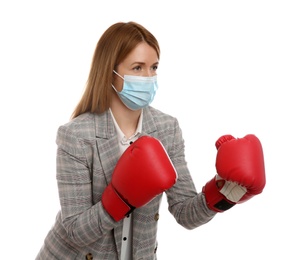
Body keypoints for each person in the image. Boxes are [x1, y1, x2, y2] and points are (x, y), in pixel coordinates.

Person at [36, 21, 266, 260]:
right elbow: (75, 232)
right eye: (137, 68)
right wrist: (120, 198)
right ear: (110, 73)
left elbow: (184, 212)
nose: (148, 77)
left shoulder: (167, 129)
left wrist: (222, 192)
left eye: (154, 67)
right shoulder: (76, 135)